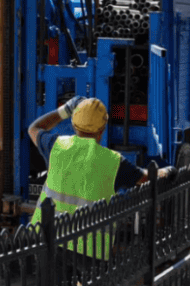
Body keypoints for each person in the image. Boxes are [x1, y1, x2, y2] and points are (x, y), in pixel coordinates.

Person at [28, 97, 163, 269]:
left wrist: (65, 110)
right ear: (102, 130)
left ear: (74, 125)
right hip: (89, 251)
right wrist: (167, 171)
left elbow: (34, 128)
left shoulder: (56, 146)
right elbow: (148, 177)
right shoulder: (114, 162)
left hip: (47, 240)